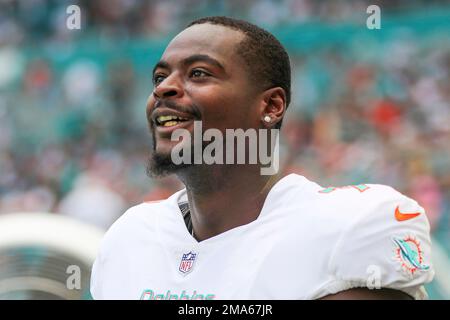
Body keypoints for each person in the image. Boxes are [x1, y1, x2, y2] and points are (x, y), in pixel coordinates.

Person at [90, 16, 434, 300]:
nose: (163, 88)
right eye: (160, 77)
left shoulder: (349, 227)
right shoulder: (130, 238)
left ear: (270, 106)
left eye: (198, 73)